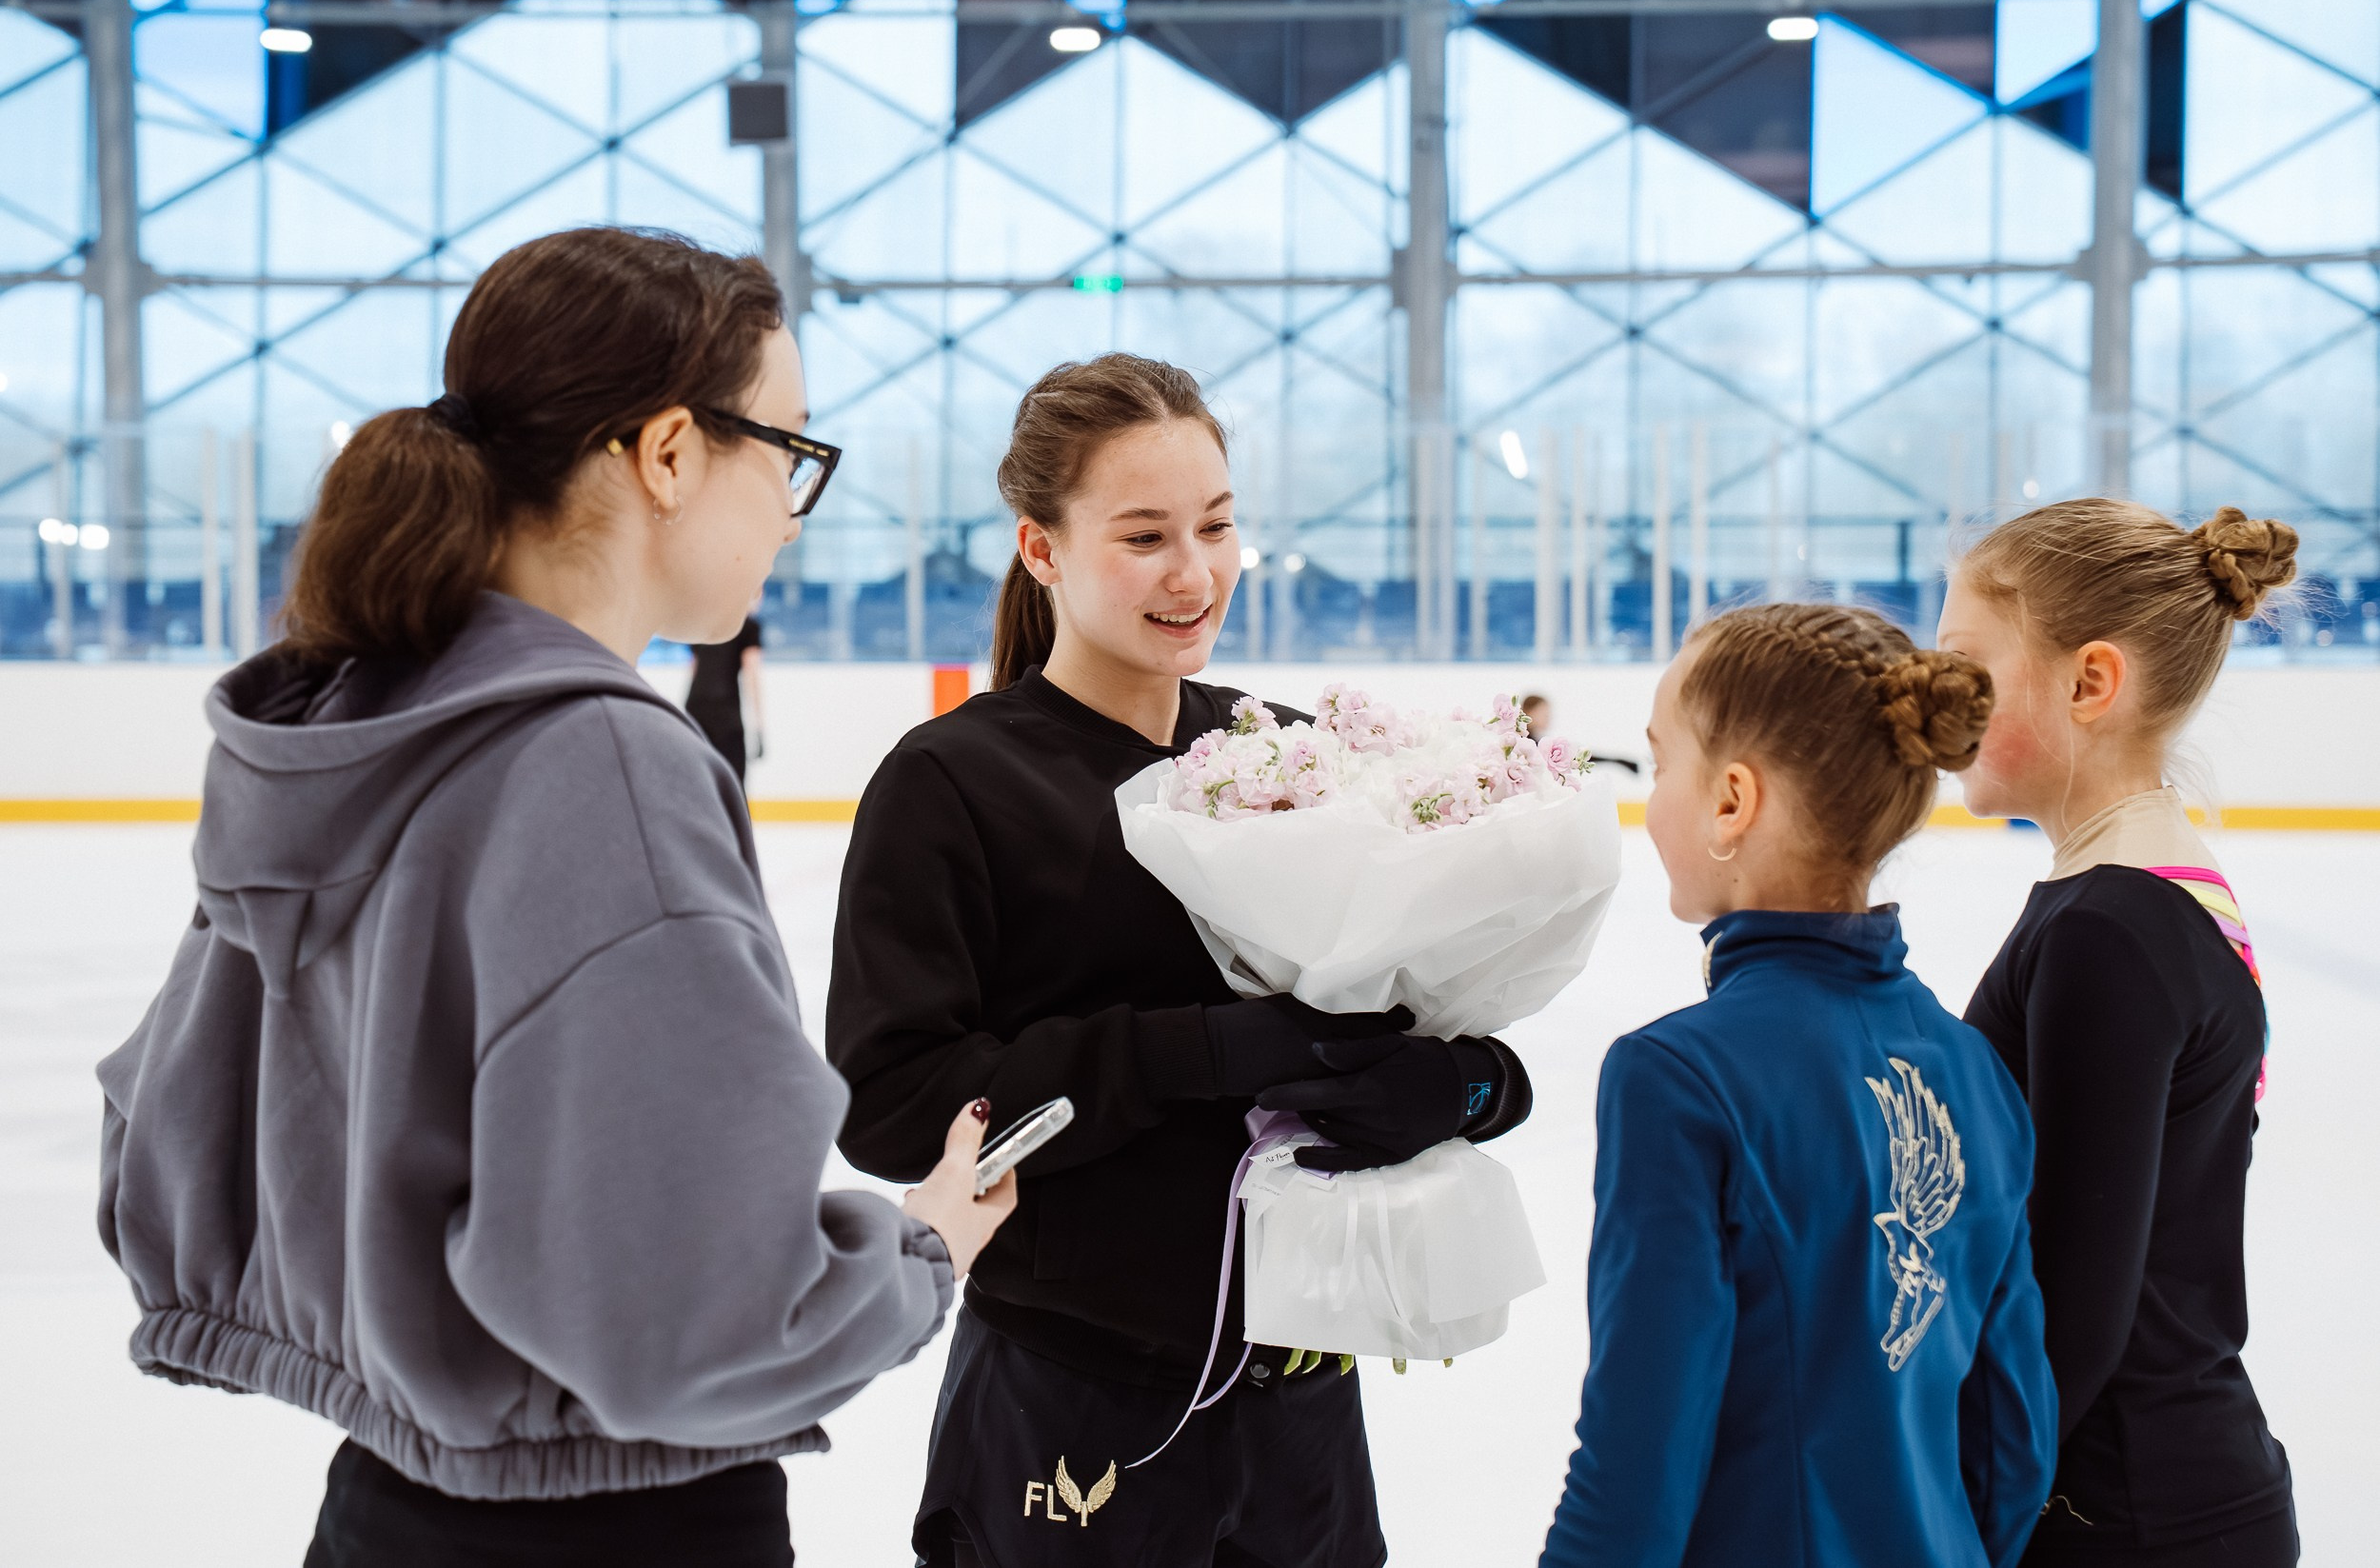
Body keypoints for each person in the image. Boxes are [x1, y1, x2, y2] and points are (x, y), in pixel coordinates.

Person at [93, 227, 1012, 1568]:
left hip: (382, 1504)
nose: (792, 507)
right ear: (670, 453)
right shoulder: (607, 767)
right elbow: (691, 1318)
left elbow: (167, 1163)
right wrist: (918, 1252)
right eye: (791, 452)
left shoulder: (358, 717)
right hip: (619, 1529)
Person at [825, 353, 1532, 1568]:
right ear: (1040, 549)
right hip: (1077, 1408)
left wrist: (1464, 1084)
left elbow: (1436, 1019)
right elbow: (894, 1108)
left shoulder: (1287, 757)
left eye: (1216, 525)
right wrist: (1190, 1053)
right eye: (1144, 535)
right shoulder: (952, 784)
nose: (1194, 572)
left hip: (1302, 1405)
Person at [1541, 603, 2056, 1568]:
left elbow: (1638, 1459)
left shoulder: (1678, 1078)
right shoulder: (1970, 1065)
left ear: (1732, 798)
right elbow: (2012, 1438)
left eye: (1660, 766)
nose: (1650, 802)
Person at [1939, 501, 2300, 1567]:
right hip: (2152, 1485)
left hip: (2124, 1510)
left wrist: (1943, 1506)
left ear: (2090, 683)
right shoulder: (2138, 892)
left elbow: (2073, 1305)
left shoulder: (2109, 924)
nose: (1935, 697)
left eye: (1967, 667)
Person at [687, 600, 765, 786]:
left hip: (695, 709)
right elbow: (751, 675)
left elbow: (695, 670)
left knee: (700, 781)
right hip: (726, 715)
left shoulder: (705, 626)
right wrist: (759, 727)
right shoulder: (749, 626)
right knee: (733, 784)